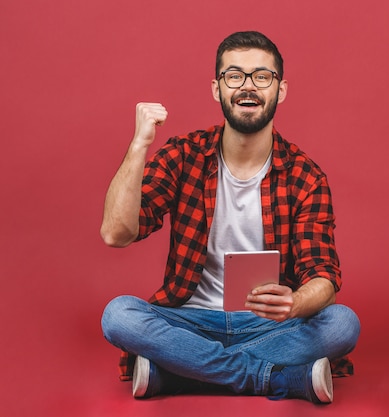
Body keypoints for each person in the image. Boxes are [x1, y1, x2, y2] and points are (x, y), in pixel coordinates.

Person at [100, 31, 360, 404]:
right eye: (235, 76)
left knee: (342, 323)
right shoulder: (184, 155)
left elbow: (323, 276)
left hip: (268, 326)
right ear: (217, 88)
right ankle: (276, 379)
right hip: (190, 322)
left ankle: (175, 373)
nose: (248, 87)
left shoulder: (306, 177)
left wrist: (295, 303)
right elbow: (116, 233)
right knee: (119, 315)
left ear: (280, 89)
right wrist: (139, 145)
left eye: (262, 76)